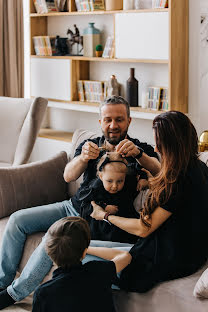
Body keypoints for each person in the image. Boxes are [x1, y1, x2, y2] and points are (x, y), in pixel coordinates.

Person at [0, 95, 160, 309]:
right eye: (108, 119)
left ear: (129, 121)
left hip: (101, 220)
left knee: (55, 236)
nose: (113, 125)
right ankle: (2, 282)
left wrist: (140, 155)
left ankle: (12, 294)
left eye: (119, 119)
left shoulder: (138, 149)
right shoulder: (90, 144)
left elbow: (160, 172)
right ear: (100, 121)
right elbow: (68, 176)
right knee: (18, 220)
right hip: (73, 207)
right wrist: (83, 158)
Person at [88, 111, 208, 293]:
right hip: (190, 253)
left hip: (168, 259)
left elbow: (143, 229)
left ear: (169, 145)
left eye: (158, 144)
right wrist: (142, 162)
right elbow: (171, 187)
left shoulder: (178, 181)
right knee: (85, 248)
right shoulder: (198, 168)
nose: (157, 150)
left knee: (77, 258)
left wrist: (104, 215)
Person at [32, 217, 132, 312]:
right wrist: (86, 249)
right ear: (84, 252)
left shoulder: (43, 293)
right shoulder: (98, 270)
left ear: (49, 254)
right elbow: (125, 256)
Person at [79, 151, 143, 243]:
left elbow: (139, 169)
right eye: (109, 181)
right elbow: (86, 203)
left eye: (120, 181)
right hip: (100, 225)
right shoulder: (96, 187)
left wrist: (143, 178)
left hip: (122, 219)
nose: (114, 186)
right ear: (101, 176)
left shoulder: (128, 181)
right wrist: (104, 207)